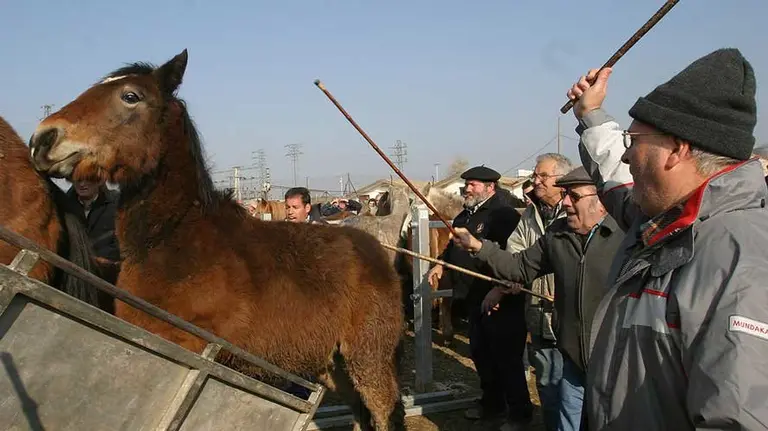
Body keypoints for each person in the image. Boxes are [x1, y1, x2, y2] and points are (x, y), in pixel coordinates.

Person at [566, 48, 768, 429]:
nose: (627, 156)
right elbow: (615, 177)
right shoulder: (661, 220)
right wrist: (591, 114)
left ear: (677, 149)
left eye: (634, 140)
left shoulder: (742, 260)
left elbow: (739, 419)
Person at [453, 166, 624, 431]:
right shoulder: (557, 234)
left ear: (600, 200)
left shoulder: (626, 236)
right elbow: (518, 267)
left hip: (616, 361)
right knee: (566, 421)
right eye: (565, 194)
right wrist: (478, 247)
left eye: (574, 196)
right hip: (574, 360)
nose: (566, 201)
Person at [428, 165, 528, 427]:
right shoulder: (464, 217)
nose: (467, 189)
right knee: (482, 356)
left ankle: (519, 413)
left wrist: (500, 289)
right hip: (473, 298)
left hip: (500, 299)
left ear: (490, 187)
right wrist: (441, 263)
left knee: (506, 360)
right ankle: (492, 405)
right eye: (467, 185)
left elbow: (513, 256)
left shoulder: (502, 215)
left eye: (472, 184)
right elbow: (452, 245)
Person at [509, 153, 573, 431]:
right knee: (546, 382)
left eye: (542, 176)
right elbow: (516, 252)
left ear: (562, 180)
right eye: (535, 176)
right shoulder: (530, 215)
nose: (536, 181)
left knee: (573, 389)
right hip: (538, 313)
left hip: (572, 317)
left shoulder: (576, 212)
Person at [67, 178, 120, 313]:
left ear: (100, 180)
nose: (82, 184)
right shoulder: (63, 204)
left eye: (88, 179)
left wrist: (106, 261)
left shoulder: (117, 203)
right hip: (72, 281)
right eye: (77, 179)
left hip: (109, 283)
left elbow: (122, 241)